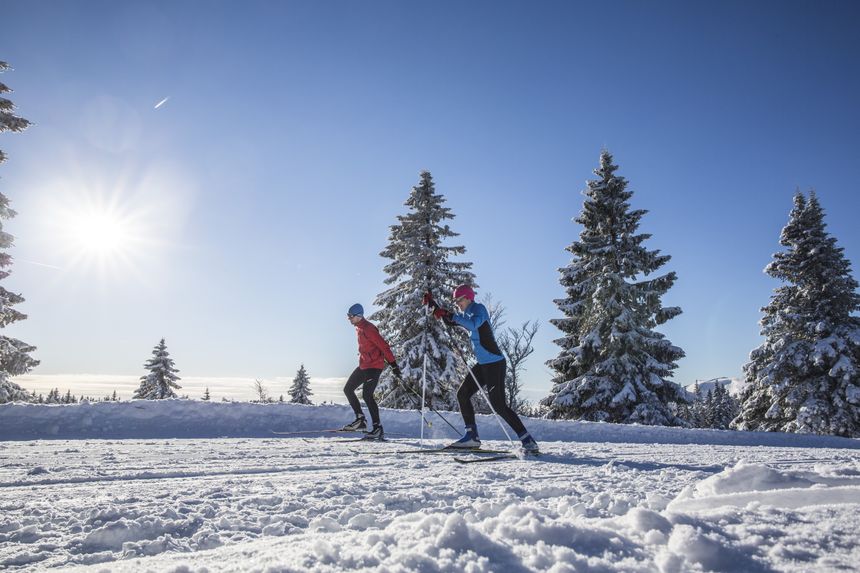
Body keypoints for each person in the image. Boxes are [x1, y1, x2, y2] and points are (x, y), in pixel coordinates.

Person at [425, 286, 539, 453]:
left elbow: (472, 324)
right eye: (455, 301)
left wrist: (450, 314)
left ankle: (528, 440)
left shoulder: (478, 309)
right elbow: (451, 321)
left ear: (469, 298)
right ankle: (471, 437)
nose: (457, 304)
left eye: (460, 300)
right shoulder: (465, 313)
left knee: (499, 405)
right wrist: (436, 307)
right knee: (462, 394)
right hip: (483, 364)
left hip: (495, 364)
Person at [342, 303, 401, 440]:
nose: (349, 319)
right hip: (364, 365)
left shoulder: (369, 329)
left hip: (374, 366)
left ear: (358, 316)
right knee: (348, 389)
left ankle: (377, 428)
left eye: (351, 317)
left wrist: (393, 364)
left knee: (367, 395)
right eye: (348, 317)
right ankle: (361, 420)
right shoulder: (358, 328)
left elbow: (383, 346)